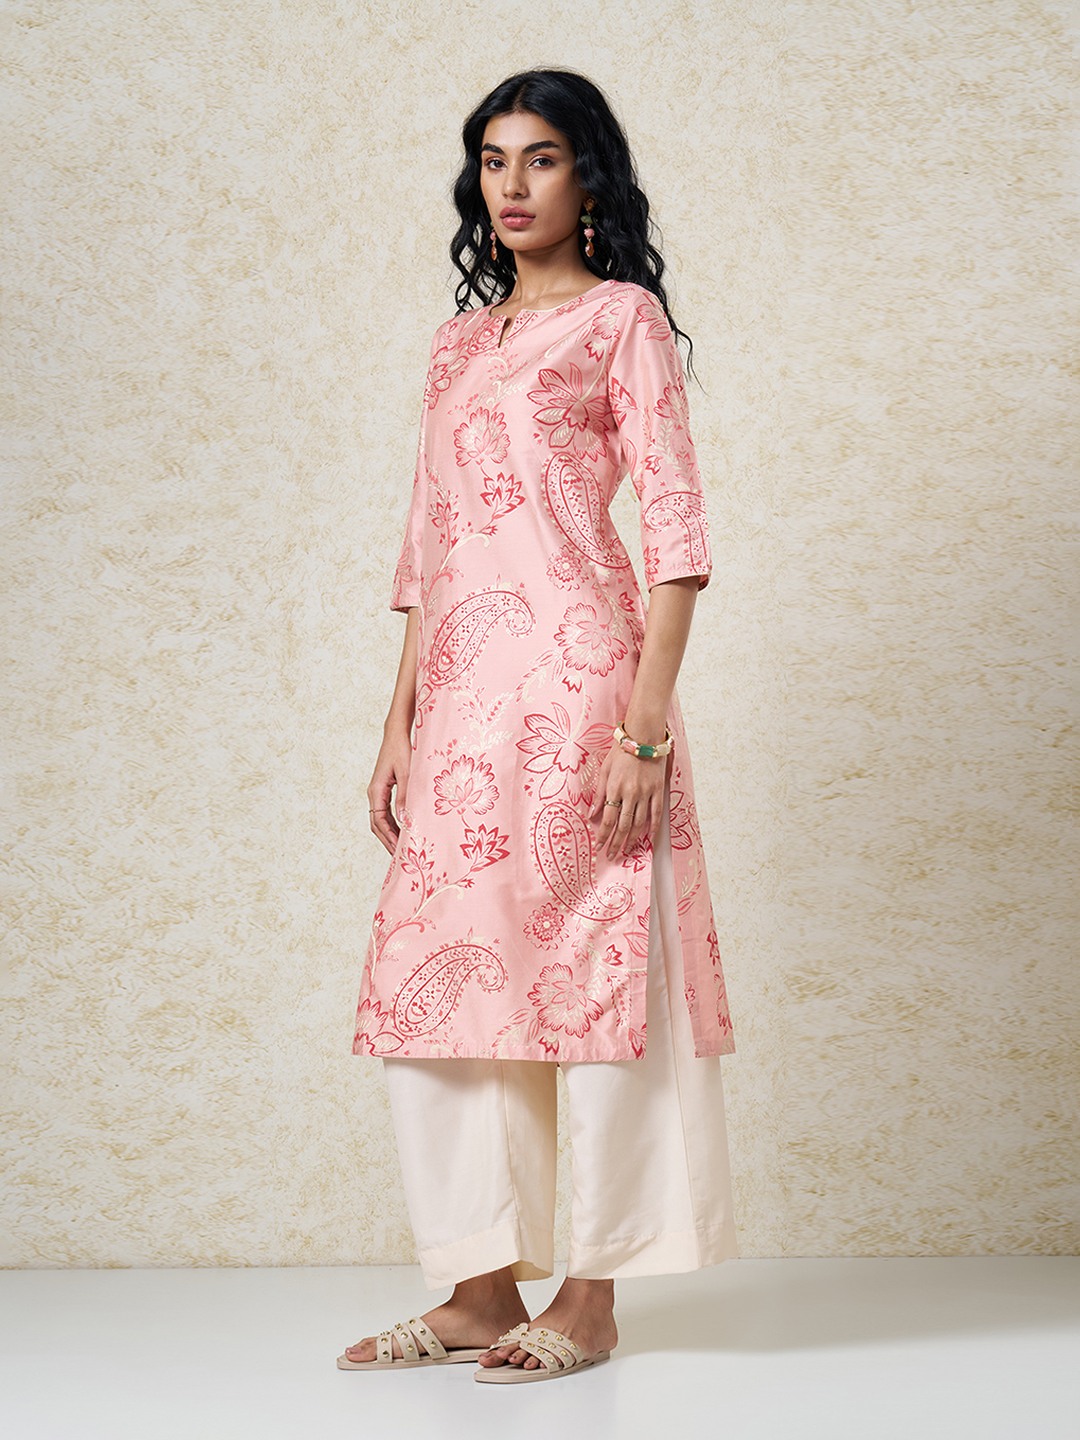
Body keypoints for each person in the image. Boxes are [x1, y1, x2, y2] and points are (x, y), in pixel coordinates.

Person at [339, 68, 738, 1385]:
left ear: (589, 176)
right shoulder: (456, 344)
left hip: (582, 695)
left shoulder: (623, 322)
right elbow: (429, 545)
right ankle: (474, 1288)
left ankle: (591, 1296)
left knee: (596, 978)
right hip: (459, 706)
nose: (512, 184)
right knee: (443, 989)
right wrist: (398, 720)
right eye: (494, 159)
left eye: (543, 158)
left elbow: (676, 537)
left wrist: (643, 731)